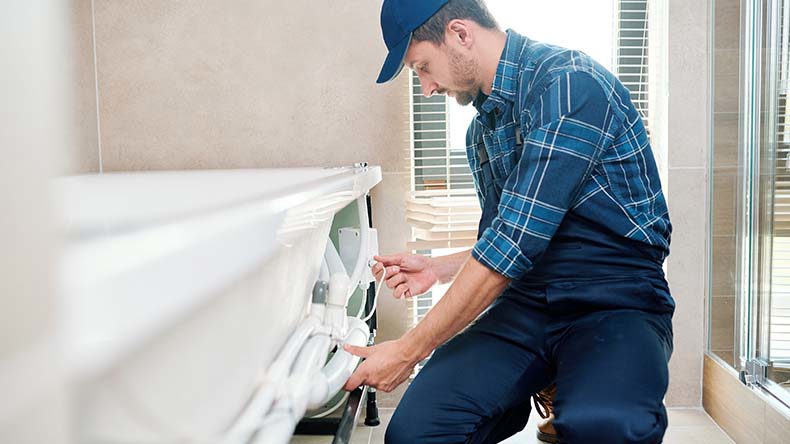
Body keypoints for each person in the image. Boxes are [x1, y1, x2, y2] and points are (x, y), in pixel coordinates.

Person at [342, 1, 675, 443]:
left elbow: (511, 247)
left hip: (614, 300)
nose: (425, 87)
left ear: (460, 34)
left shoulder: (570, 85)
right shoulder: (482, 132)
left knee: (605, 427)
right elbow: (509, 240)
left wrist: (408, 351)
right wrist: (438, 268)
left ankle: (585, 388)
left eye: (422, 66)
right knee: (415, 433)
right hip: (527, 304)